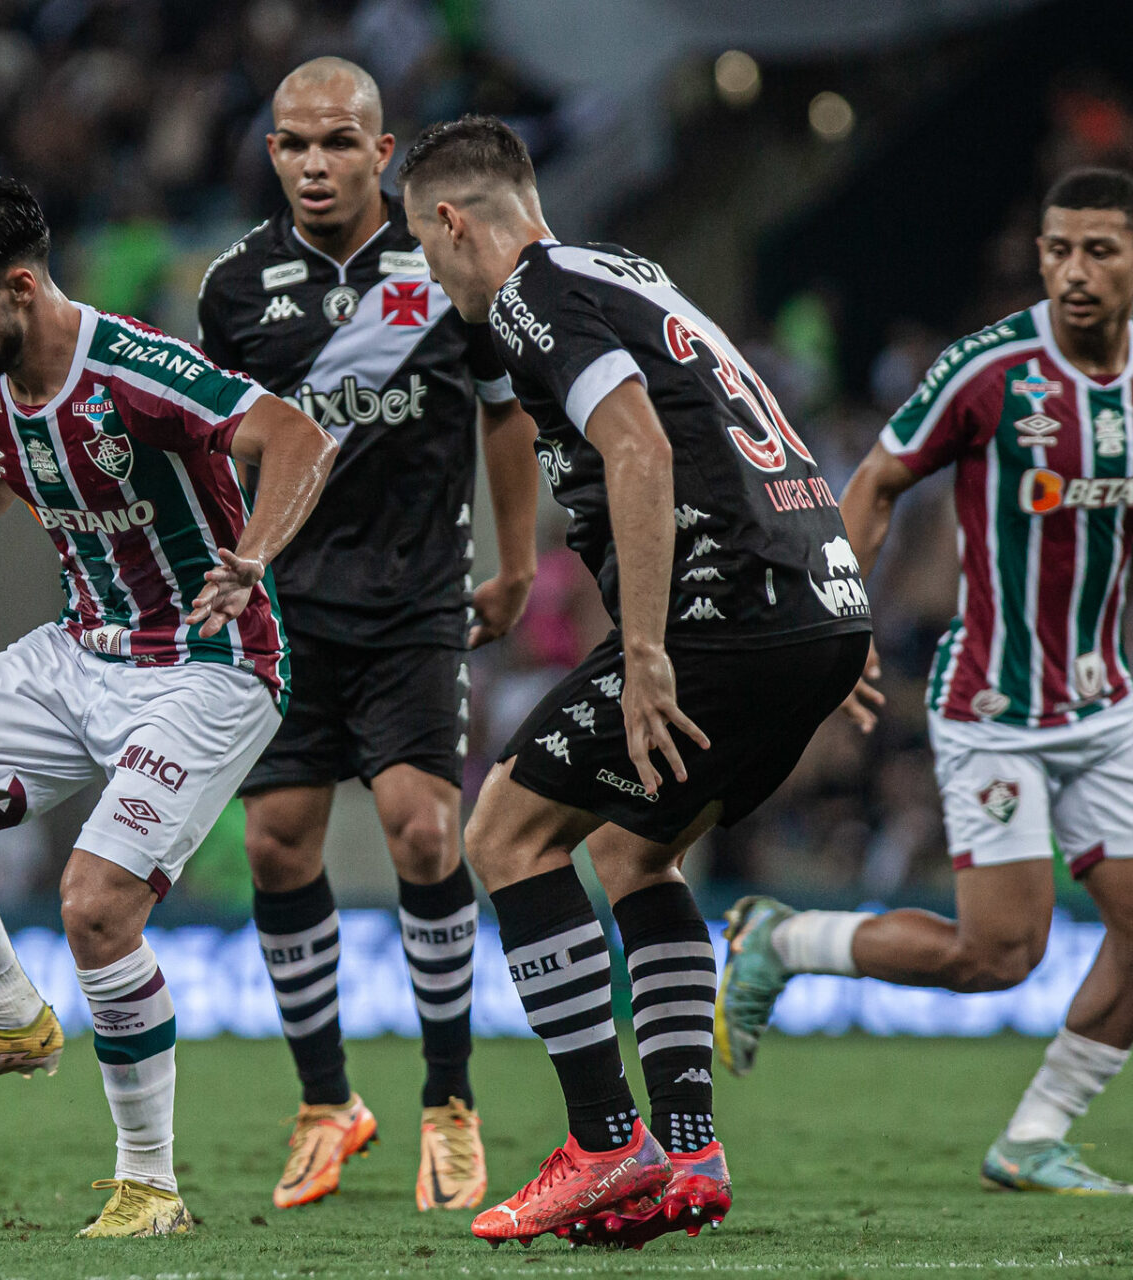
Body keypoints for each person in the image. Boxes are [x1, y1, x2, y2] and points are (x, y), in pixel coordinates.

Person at [0, 172, 335, 1239]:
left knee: (96, 904)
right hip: (81, 647)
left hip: (208, 660)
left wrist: (252, 555)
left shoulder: (137, 372)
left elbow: (298, 439)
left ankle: (150, 1188)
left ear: (19, 286)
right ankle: (8, 1018)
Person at [718, 169, 1133, 1196]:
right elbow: (875, 480)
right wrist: (840, 622)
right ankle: (783, 937)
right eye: (1058, 248)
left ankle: (1035, 1133)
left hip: (1103, 698)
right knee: (998, 953)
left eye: (1101, 250)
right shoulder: (988, 370)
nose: (1074, 270)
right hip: (993, 703)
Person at [398, 117, 871, 1247]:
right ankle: (689, 1154)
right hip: (812, 601)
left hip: (724, 615)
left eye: (421, 241)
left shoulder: (529, 294)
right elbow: (761, 427)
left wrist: (651, 651)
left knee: (505, 835)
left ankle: (607, 1139)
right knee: (631, 850)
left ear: (455, 222)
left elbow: (643, 450)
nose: (425, 267)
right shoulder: (634, 274)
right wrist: (837, 612)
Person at [196, 56, 539, 1214]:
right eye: (293, 143)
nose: (313, 164)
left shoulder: (441, 266)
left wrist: (520, 558)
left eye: (337, 142)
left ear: (381, 154)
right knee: (279, 847)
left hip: (415, 603)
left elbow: (504, 414)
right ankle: (327, 1100)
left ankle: (450, 1101)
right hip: (287, 608)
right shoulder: (234, 286)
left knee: (424, 830)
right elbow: (217, 446)